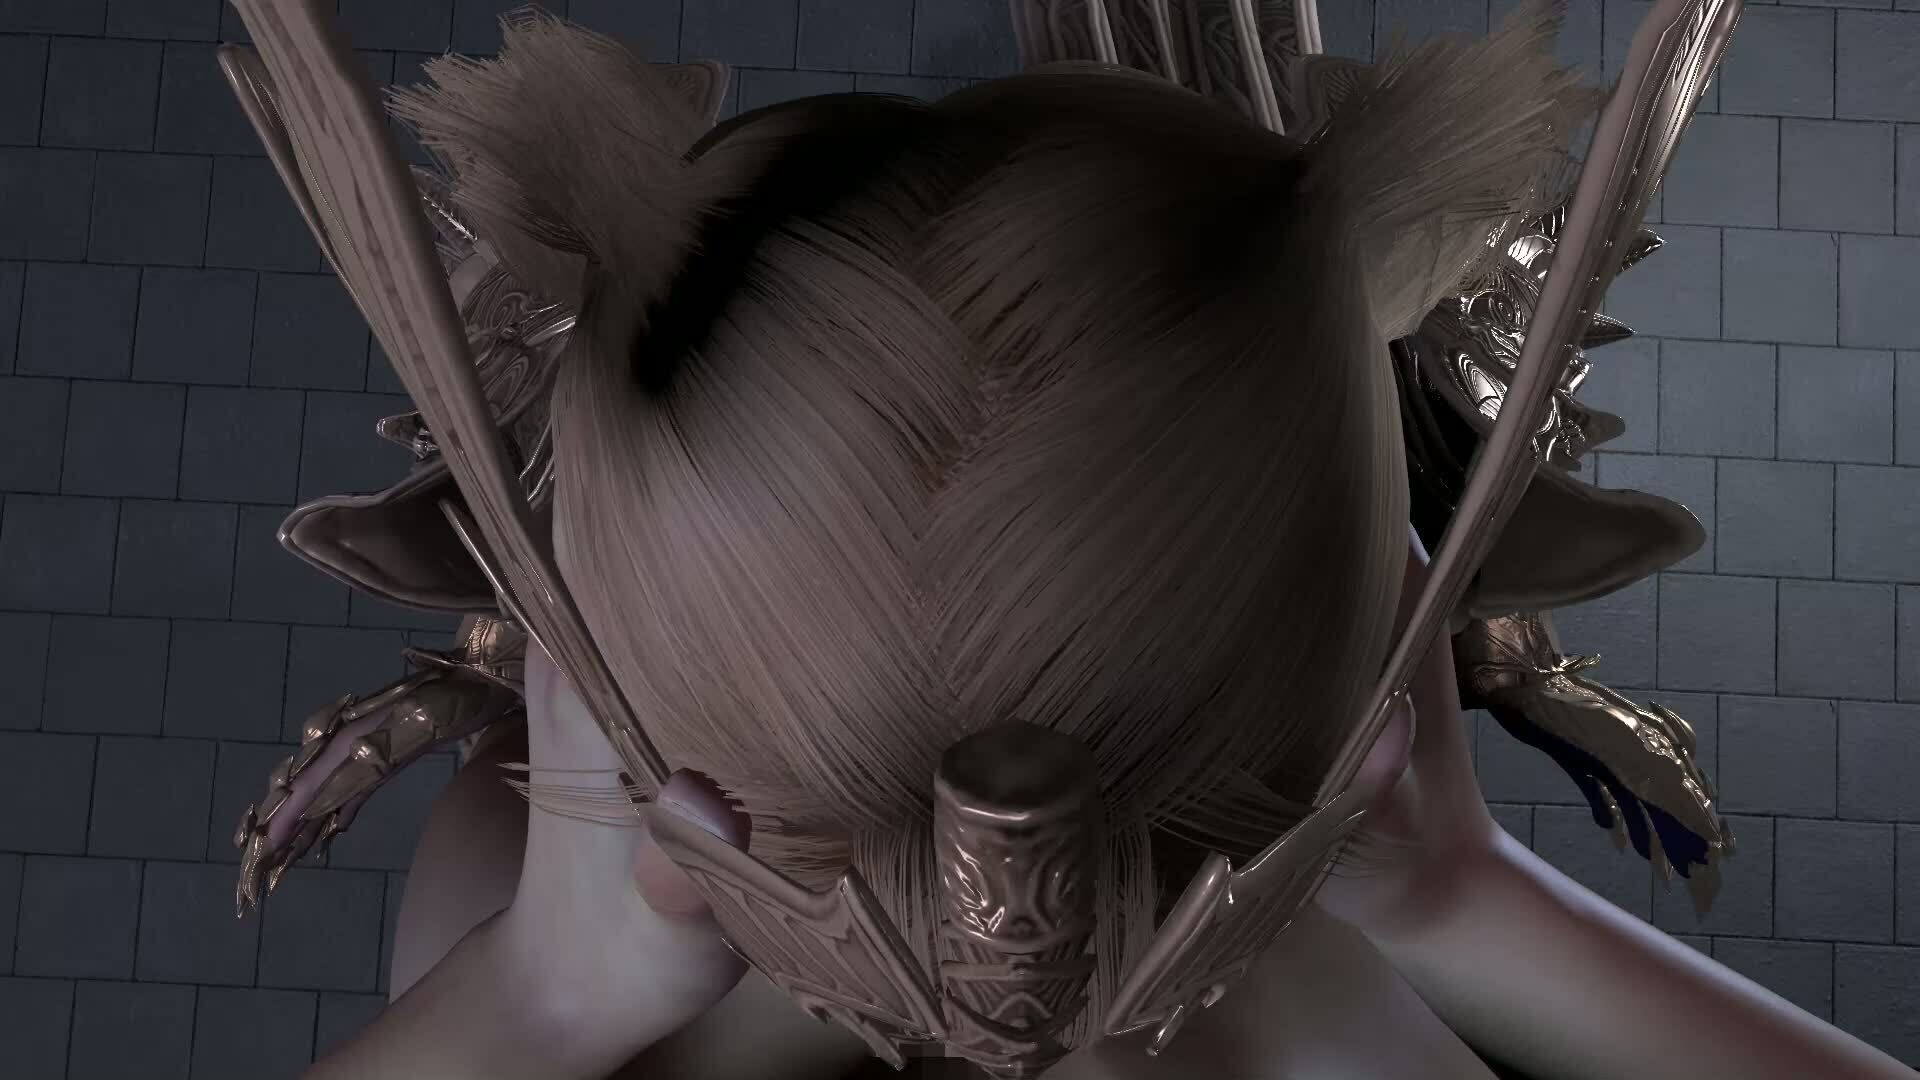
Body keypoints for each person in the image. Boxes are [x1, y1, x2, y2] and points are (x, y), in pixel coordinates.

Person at [218, 3, 1912, 1077]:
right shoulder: (1350, 1013)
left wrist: (533, 1002)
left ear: (606, 686)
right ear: (1374, 674)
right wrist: (1475, 906)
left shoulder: (512, 908)